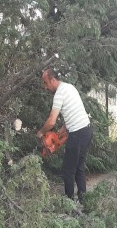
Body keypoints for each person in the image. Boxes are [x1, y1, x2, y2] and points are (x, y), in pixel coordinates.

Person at [37, 67, 93, 202]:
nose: (45, 87)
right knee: (79, 167)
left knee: (68, 170)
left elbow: (51, 122)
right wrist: (65, 127)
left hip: (77, 134)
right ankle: (83, 199)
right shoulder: (69, 87)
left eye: (46, 83)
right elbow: (74, 110)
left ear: (53, 80)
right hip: (87, 131)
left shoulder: (59, 94)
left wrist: (40, 133)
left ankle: (69, 203)